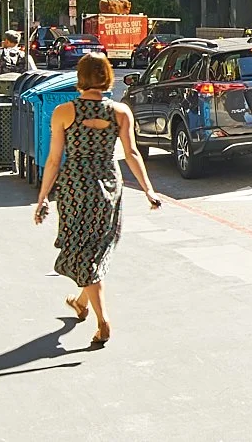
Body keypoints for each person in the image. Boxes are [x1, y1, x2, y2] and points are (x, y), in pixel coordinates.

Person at [34, 53, 160, 348]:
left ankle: (103, 322)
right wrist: (148, 190)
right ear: (107, 77)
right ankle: (81, 302)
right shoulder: (120, 112)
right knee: (95, 248)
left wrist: (42, 198)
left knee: (82, 250)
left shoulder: (64, 112)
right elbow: (131, 154)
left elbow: (53, 160)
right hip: (107, 188)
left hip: (75, 189)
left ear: (80, 77)